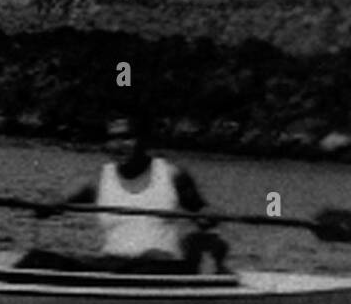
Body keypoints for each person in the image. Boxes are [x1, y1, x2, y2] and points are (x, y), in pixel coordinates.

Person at [17, 116, 230, 274]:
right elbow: (56, 200)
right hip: (113, 264)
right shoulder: (96, 180)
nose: (119, 146)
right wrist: (44, 206)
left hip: (161, 267)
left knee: (147, 262)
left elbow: (202, 211)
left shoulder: (173, 175)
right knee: (37, 260)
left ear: (144, 141)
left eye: (127, 138)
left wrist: (208, 218)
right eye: (113, 139)